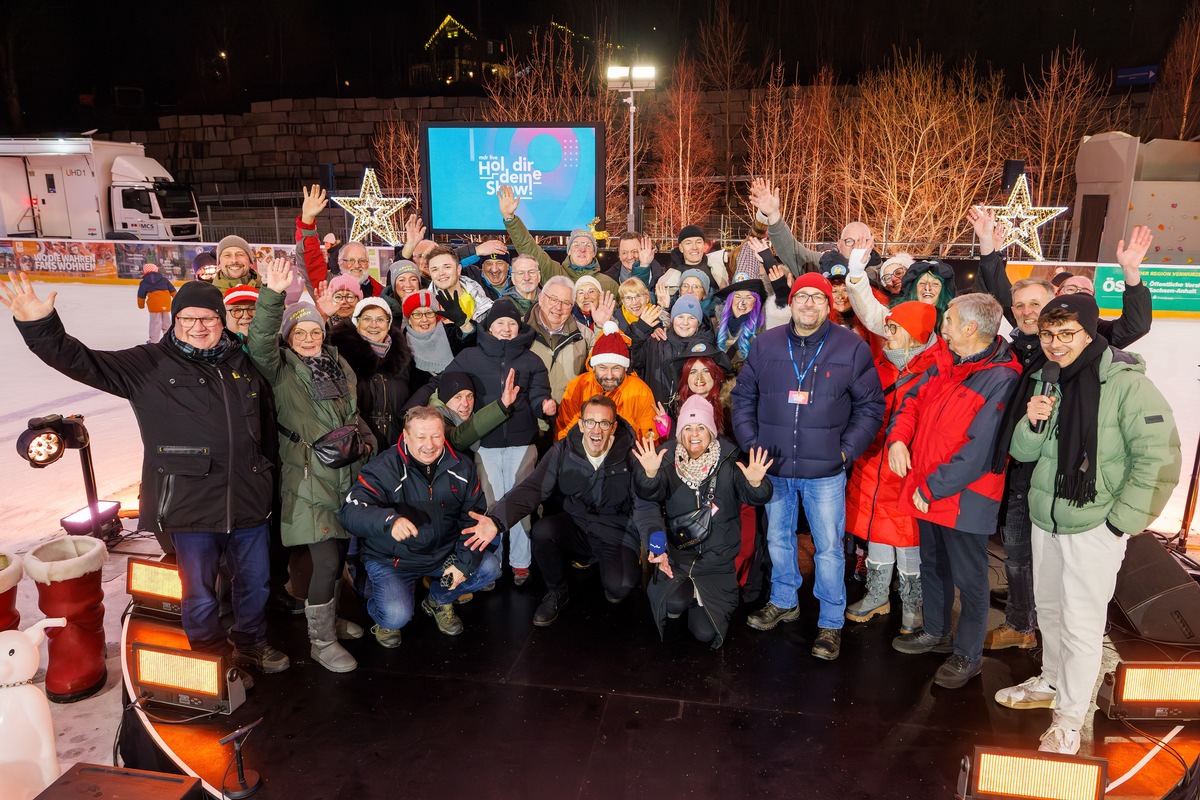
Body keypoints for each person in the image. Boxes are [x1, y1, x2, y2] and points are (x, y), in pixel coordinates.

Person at [2, 272, 289, 677]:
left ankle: (251, 643)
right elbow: (80, 360)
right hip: (190, 504)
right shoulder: (149, 363)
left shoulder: (241, 361)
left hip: (248, 499)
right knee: (199, 593)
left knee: (255, 584)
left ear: (221, 320)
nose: (198, 327)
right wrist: (40, 325)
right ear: (175, 320)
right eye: (187, 318)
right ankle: (211, 655)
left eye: (208, 318)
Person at [996, 294, 1181, 755]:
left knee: (1081, 625)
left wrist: (1119, 523)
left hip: (1095, 525)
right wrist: (1031, 422)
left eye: (1066, 334)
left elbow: (1159, 459)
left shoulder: (1126, 383)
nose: (1055, 344)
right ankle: (1051, 681)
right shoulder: (1046, 378)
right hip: (1047, 519)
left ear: (1090, 333)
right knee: (1050, 611)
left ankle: (1069, 720)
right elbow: (1022, 452)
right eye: (1048, 334)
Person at [978, 218, 1156, 652]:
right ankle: (1024, 620)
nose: (1026, 313)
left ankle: (1037, 633)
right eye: (1020, 308)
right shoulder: (1025, 340)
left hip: (1063, 477)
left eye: (1035, 306)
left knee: (1049, 568)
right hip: (1021, 466)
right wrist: (988, 250)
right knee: (1019, 553)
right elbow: (1006, 295)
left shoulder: (1082, 342)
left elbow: (1133, 326)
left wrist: (1131, 275)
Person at [731, 272, 884, 661]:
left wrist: (845, 452)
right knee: (778, 538)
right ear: (791, 302)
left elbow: (871, 407)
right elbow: (743, 397)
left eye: (818, 297)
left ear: (829, 305)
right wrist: (751, 445)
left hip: (826, 470)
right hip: (774, 464)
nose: (809, 304)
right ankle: (784, 600)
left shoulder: (851, 347)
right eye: (802, 296)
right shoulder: (766, 344)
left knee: (829, 548)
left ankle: (831, 622)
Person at [886, 293, 1021, 688]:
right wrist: (898, 439)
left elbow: (979, 450)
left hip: (963, 498)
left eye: (947, 320)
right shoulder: (946, 362)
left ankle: (968, 655)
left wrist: (932, 487)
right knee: (933, 564)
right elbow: (910, 403)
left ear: (970, 328)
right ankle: (936, 631)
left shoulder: (1002, 378)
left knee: (971, 581)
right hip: (928, 490)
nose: (941, 328)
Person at [247, 260, 370, 674]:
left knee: (339, 552)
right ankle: (321, 642)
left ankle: (330, 619)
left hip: (344, 474)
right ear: (288, 338)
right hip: (306, 479)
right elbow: (260, 342)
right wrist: (272, 295)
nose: (309, 338)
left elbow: (351, 414)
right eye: (299, 332)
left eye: (315, 331)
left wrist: (367, 442)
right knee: (327, 561)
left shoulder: (336, 364)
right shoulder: (280, 370)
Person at [466, 396, 651, 627]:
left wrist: (654, 542)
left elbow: (646, 504)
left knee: (619, 588)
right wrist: (496, 520)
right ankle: (557, 592)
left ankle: (606, 568)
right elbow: (532, 488)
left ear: (613, 427)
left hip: (615, 531)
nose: (596, 430)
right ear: (581, 424)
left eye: (604, 423)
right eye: (590, 422)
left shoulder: (632, 454)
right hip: (578, 525)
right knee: (543, 530)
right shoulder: (563, 450)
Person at [415, 299, 555, 586]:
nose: (506, 328)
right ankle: (491, 561)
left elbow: (539, 393)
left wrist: (544, 406)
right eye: (500, 323)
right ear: (489, 327)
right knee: (490, 505)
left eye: (512, 324)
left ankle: (520, 563)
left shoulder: (532, 360)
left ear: (519, 328)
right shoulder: (469, 357)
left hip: (522, 441)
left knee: (520, 504)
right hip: (484, 443)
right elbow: (445, 384)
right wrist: (420, 404)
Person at [339, 406, 503, 647]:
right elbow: (349, 511)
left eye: (436, 436)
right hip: (393, 559)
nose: (429, 445)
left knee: (489, 568)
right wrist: (389, 521)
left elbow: (473, 521)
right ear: (406, 436)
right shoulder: (384, 466)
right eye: (421, 437)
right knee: (396, 616)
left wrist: (463, 563)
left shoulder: (462, 466)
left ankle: (438, 600)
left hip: (443, 554)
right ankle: (385, 615)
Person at [634, 396, 774, 648]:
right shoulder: (667, 459)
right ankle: (684, 594)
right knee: (673, 603)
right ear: (680, 433)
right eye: (687, 428)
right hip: (677, 558)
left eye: (700, 427)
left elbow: (754, 496)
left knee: (704, 633)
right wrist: (650, 475)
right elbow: (649, 495)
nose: (694, 434)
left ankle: (697, 597)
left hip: (717, 564)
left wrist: (756, 484)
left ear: (711, 431)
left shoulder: (729, 462)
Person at [844, 302, 948, 634]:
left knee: (908, 538)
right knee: (876, 530)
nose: (886, 335)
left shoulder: (938, 369)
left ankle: (913, 604)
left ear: (915, 334)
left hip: (907, 470)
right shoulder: (880, 366)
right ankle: (877, 595)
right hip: (872, 464)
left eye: (894, 329)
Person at [970, 207, 1153, 349]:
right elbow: (1000, 288)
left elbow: (1136, 327)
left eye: (1085, 291)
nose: (1077, 293)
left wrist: (1130, 271)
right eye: (1071, 288)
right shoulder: (1035, 314)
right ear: (1056, 295)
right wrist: (988, 245)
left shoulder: (1094, 330)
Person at [499, 184, 619, 295]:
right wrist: (510, 219)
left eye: (588, 245)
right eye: (576, 245)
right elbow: (528, 247)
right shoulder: (554, 274)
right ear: (569, 251)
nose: (582, 249)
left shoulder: (609, 285)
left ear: (594, 253)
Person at [329, 296, 415, 450]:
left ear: (388, 324)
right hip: (361, 445)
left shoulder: (402, 358)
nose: (374, 325)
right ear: (357, 322)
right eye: (367, 319)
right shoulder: (341, 356)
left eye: (380, 319)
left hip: (397, 445)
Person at [749, 177, 880, 275]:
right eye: (849, 241)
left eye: (862, 241)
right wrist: (773, 214)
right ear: (839, 244)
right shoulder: (822, 264)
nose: (856, 247)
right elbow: (793, 252)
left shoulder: (883, 274)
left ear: (871, 244)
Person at [556, 326, 658, 442]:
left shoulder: (641, 392)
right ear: (594, 367)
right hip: (581, 451)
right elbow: (564, 433)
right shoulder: (577, 386)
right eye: (603, 368)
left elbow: (649, 438)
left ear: (625, 368)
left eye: (616, 368)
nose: (609, 376)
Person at [629, 295, 718, 404]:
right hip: (655, 409)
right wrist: (640, 329)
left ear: (698, 323)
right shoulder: (656, 341)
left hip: (689, 412)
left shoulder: (705, 350)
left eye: (691, 318)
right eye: (680, 316)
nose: (685, 323)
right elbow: (632, 361)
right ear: (672, 319)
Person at [526, 275, 599, 403]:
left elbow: (602, 367)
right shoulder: (520, 330)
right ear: (541, 299)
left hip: (568, 412)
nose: (558, 307)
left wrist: (602, 325)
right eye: (553, 300)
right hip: (528, 413)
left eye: (566, 303)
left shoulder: (585, 335)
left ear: (572, 306)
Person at [848, 254, 957, 336]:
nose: (927, 288)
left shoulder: (954, 316)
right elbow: (873, 314)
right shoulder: (899, 315)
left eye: (935, 284)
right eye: (922, 283)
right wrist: (856, 272)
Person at [431, 369, 519, 451]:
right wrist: (501, 405)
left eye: (469, 396)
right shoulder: (434, 419)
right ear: (444, 400)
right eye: (458, 397)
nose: (466, 404)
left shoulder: (473, 413)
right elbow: (457, 439)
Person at [426, 245, 494, 323]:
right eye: (435, 269)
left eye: (447, 267)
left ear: (458, 269)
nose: (441, 273)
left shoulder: (483, 302)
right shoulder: (424, 306)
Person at [136, 263, 175, 344]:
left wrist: (141, 305)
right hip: (165, 304)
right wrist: (177, 299)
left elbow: (141, 295)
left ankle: (154, 341)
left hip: (154, 306)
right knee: (167, 323)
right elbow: (173, 290)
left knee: (155, 323)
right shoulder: (164, 280)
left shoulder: (144, 282)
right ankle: (170, 340)